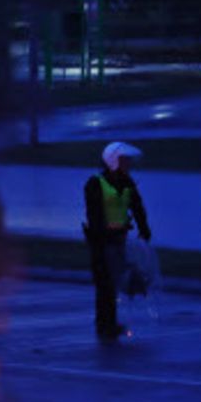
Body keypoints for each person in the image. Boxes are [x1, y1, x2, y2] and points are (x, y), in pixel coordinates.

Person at [83, 142, 151, 340]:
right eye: (124, 160)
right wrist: (106, 232)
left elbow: (137, 206)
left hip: (118, 240)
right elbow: (94, 214)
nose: (127, 164)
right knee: (104, 283)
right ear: (112, 161)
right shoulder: (95, 183)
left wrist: (144, 229)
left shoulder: (127, 182)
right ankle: (104, 324)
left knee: (113, 283)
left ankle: (110, 323)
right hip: (101, 241)